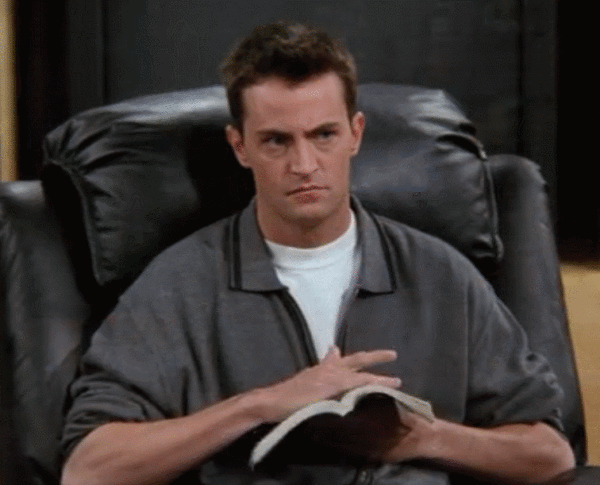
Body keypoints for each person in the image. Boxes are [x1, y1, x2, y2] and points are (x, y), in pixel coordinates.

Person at [60, 22, 575, 485]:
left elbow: (550, 455)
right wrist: (258, 407)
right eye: (276, 141)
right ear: (240, 147)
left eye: (324, 135)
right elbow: (89, 468)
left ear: (355, 134)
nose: (304, 164)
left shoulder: (440, 274)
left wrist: (423, 438)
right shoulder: (179, 284)